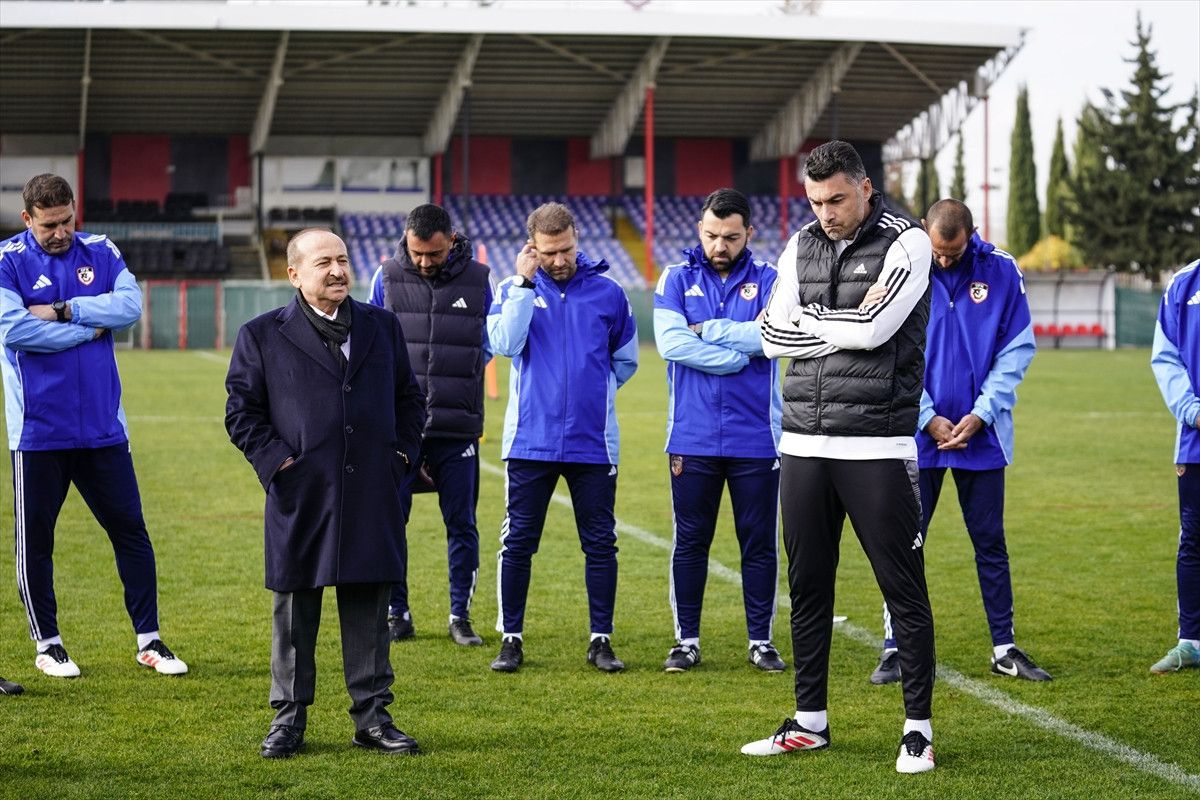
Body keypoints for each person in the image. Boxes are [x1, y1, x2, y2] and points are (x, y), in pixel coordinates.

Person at [744, 141, 937, 774]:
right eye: (815, 200)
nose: (826, 212)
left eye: (836, 199)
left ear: (864, 188)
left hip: (877, 445)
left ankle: (916, 729)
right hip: (801, 443)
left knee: (902, 590)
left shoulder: (907, 242)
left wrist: (819, 323)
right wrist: (841, 324)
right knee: (807, 590)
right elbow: (773, 336)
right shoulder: (799, 246)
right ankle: (810, 722)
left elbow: (877, 330)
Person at [225, 228, 426, 758]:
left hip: (371, 493)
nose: (337, 270)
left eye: (342, 259)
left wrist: (401, 456)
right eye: (323, 262)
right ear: (294, 274)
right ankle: (288, 720)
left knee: (369, 607)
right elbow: (241, 413)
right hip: (301, 493)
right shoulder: (261, 334)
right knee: (294, 612)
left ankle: (372, 718)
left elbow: (410, 399)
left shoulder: (382, 326)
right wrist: (279, 465)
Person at [0, 174, 187, 679]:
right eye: (48, 226)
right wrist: (90, 330)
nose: (60, 233)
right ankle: (49, 644)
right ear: (27, 219)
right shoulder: (7, 260)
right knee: (36, 541)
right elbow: (14, 329)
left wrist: (64, 311)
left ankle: (149, 640)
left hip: (104, 427)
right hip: (38, 431)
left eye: (66, 221)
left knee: (131, 532)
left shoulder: (101, 250)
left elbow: (129, 307)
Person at [868, 198, 1049, 686]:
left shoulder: (1002, 271)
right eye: (937, 251)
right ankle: (894, 648)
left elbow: (1017, 350)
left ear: (972, 233)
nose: (944, 260)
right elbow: (886, 348)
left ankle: (1004, 646)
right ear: (924, 231)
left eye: (953, 252)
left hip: (980, 436)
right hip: (915, 434)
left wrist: (982, 413)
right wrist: (927, 417)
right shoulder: (902, 268)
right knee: (905, 543)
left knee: (990, 542)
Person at [486, 202, 638, 673]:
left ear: (577, 239)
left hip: (594, 443)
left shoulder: (610, 293)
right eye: (549, 252)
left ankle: (601, 640)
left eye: (566, 249)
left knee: (600, 543)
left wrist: (593, 396)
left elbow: (625, 361)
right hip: (531, 441)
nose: (559, 260)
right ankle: (511, 638)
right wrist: (524, 284)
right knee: (519, 543)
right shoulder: (513, 290)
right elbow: (506, 346)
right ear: (533, 247)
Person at [653, 188, 784, 674]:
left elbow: (774, 337)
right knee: (690, 541)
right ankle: (686, 641)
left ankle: (761, 641)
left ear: (749, 233)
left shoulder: (772, 278)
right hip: (692, 436)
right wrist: (735, 357)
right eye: (711, 235)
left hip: (757, 436)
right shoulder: (675, 278)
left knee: (758, 542)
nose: (720, 245)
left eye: (730, 236)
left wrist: (709, 330)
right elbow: (670, 343)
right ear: (699, 230)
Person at [368, 204, 495, 647]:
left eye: (435, 254)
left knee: (462, 523)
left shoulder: (480, 279)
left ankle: (460, 616)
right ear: (406, 240)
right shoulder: (384, 276)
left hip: (457, 427)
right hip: (399, 429)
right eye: (418, 253)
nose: (424, 262)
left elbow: (490, 344)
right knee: (389, 521)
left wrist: (457, 380)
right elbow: (369, 344)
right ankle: (396, 611)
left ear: (451, 240)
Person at [1149, 257, 1200, 674]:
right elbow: (1166, 357)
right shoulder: (1184, 284)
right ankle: (1191, 642)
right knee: (1193, 541)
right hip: (1196, 439)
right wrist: (1192, 411)